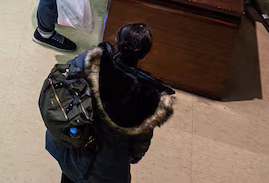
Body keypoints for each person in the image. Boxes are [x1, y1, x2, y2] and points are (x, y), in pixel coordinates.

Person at [45, 23, 175, 183]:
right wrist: (135, 157)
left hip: (72, 146)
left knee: (69, 178)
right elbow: (140, 142)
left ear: (117, 40)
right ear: (144, 54)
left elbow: (63, 75)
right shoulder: (145, 96)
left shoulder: (92, 61)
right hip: (105, 166)